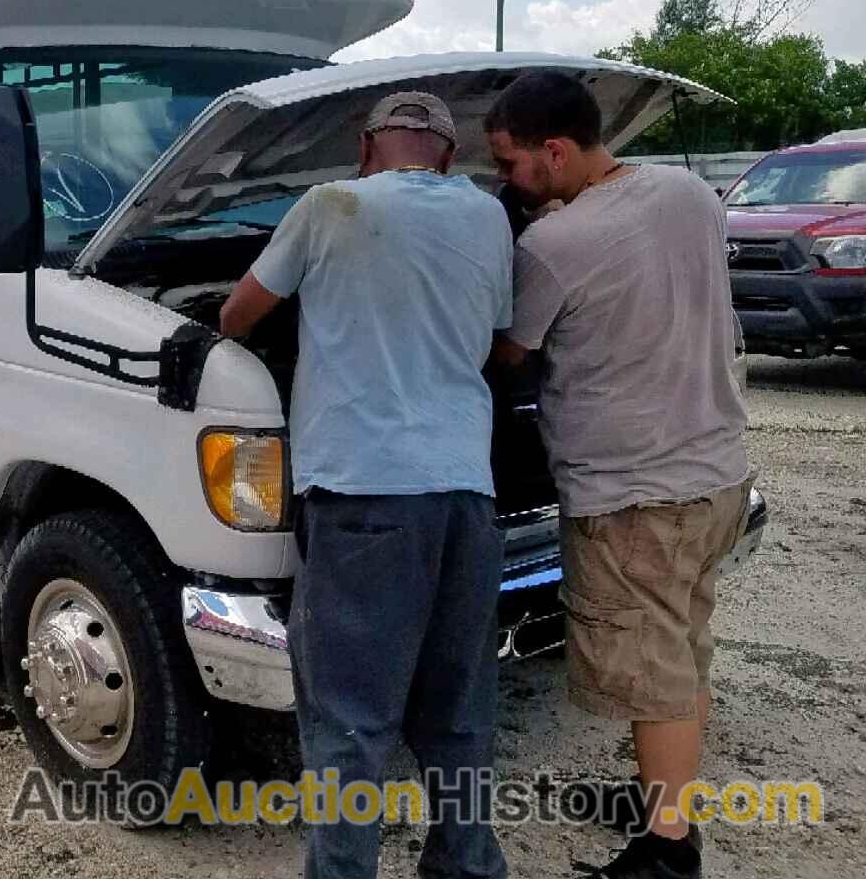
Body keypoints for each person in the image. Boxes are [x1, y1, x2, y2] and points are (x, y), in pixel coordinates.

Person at [220, 92, 511, 879]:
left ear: (366, 146)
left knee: (350, 720)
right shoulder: (488, 217)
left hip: (362, 497)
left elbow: (238, 315)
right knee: (456, 709)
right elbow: (491, 333)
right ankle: (466, 866)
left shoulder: (328, 205)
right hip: (466, 495)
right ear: (448, 155)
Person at [485, 72, 749, 879]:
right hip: (716, 471)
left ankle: (668, 855)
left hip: (635, 495)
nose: (504, 180)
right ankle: (665, 800)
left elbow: (507, 353)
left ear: (554, 152)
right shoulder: (686, 193)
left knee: (653, 670)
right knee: (682, 650)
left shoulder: (551, 247)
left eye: (509, 162)